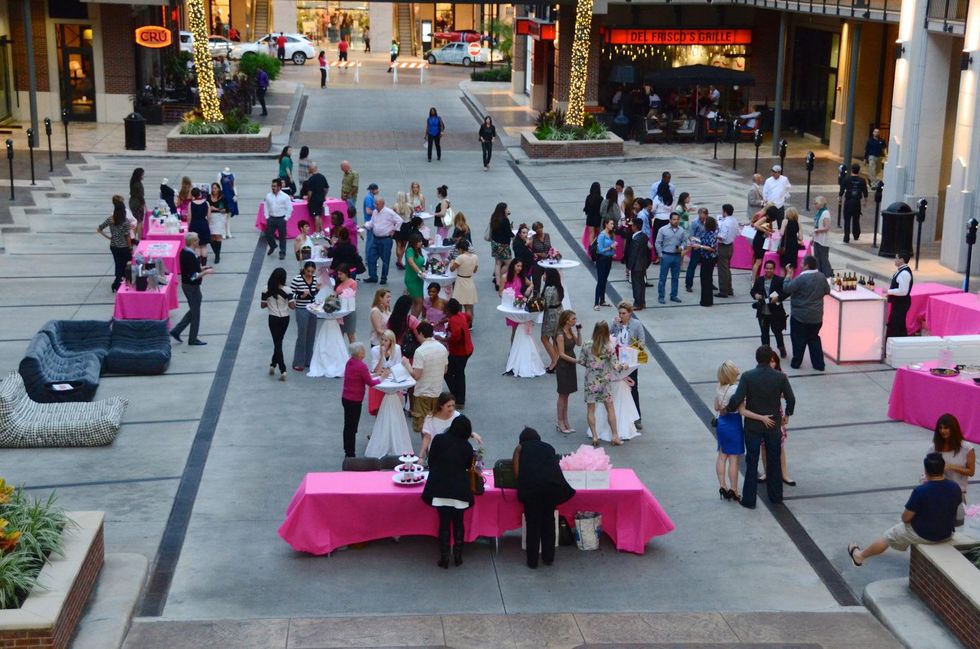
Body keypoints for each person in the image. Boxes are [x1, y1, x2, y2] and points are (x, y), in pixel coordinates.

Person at [848, 453, 962, 566]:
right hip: (946, 533)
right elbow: (959, 514)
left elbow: (906, 518)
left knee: (888, 536)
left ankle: (859, 556)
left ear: (926, 471)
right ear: (943, 468)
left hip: (925, 535)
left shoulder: (921, 491)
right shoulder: (955, 487)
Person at [726, 345, 796, 509]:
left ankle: (749, 500)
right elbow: (791, 399)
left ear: (757, 359)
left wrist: (728, 409)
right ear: (770, 358)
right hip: (773, 425)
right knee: (774, 461)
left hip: (753, 427)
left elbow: (737, 398)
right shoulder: (780, 377)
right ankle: (776, 497)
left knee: (752, 462)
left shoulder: (748, 376)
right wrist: (787, 415)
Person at [513, 427, 576, 569]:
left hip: (531, 492)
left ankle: (532, 561)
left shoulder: (520, 448)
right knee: (548, 523)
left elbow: (517, 473)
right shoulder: (549, 448)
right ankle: (548, 558)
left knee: (533, 525)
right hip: (550, 490)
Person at [421, 415, 475, 568]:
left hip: (440, 489)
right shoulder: (467, 447)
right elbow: (467, 466)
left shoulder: (438, 439)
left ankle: (444, 557)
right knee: (459, 523)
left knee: (444, 524)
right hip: (460, 491)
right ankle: (458, 556)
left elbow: (431, 461)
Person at [579, 321, 625, 447]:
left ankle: (594, 435)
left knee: (590, 409)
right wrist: (623, 366)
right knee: (610, 408)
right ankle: (615, 435)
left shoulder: (587, 344)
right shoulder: (609, 346)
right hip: (605, 381)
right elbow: (616, 366)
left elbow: (581, 361)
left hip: (590, 381)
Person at [781, 255, 830, 371]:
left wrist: (788, 275)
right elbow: (827, 290)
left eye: (802, 263)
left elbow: (787, 288)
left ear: (807, 265)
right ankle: (819, 364)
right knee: (814, 339)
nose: (801, 264)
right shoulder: (821, 277)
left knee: (798, 340)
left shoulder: (801, 279)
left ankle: (796, 363)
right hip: (817, 316)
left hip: (800, 316)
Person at [341, 342, 388, 457]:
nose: (364, 351)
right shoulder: (361, 366)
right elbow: (370, 383)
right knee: (352, 427)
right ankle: (350, 452)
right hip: (355, 400)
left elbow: (363, 377)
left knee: (348, 425)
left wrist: (372, 375)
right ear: (359, 353)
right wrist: (382, 377)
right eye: (363, 350)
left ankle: (348, 449)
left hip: (346, 398)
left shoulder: (350, 362)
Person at [404, 321, 449, 434]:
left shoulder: (420, 351)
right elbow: (445, 370)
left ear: (421, 334)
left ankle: (427, 449)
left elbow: (416, 376)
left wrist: (407, 365)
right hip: (437, 392)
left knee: (424, 427)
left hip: (423, 393)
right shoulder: (442, 348)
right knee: (435, 424)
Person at [170, 232, 214, 346]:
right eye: (197, 239)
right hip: (191, 286)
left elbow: (192, 269)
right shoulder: (189, 255)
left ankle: (177, 331)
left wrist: (202, 268)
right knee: (196, 313)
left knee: (194, 310)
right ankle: (192, 338)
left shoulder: (186, 252)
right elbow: (193, 276)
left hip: (191, 286)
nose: (199, 241)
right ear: (192, 242)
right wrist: (206, 272)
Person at [928, 414, 975, 515]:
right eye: (940, 428)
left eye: (946, 428)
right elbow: (928, 471)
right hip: (937, 493)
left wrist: (951, 467)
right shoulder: (934, 448)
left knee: (958, 525)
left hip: (957, 494)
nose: (942, 431)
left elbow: (971, 472)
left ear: (953, 428)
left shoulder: (967, 448)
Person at [714, 361, 745, 502]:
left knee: (722, 456)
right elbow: (741, 409)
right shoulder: (736, 389)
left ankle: (722, 485)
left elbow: (716, 407)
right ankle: (734, 489)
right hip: (734, 424)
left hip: (722, 423)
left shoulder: (719, 387)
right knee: (734, 460)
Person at [611, 302, 643, 429]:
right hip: (617, 361)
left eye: (624, 313)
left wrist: (630, 349)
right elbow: (608, 337)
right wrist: (615, 325)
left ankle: (637, 417)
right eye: (620, 313)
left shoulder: (636, 324)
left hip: (630, 361)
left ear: (630, 313)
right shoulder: (615, 323)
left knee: (633, 387)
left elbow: (642, 342)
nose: (621, 315)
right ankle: (618, 415)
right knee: (617, 387)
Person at [260, 268, 294, 380]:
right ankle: (279, 367)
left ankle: (277, 366)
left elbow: (263, 305)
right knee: (278, 342)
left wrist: (270, 300)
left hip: (273, 318)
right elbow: (292, 306)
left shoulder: (266, 289)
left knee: (277, 342)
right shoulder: (287, 290)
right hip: (285, 318)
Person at [751, 260, 787, 357]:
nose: (769, 270)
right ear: (764, 269)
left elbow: (785, 293)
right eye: (767, 268)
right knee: (764, 333)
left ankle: (781, 348)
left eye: (771, 268)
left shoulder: (779, 280)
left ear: (774, 269)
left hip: (776, 312)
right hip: (763, 312)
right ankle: (766, 352)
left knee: (777, 332)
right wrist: (756, 295)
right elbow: (753, 291)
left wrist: (778, 298)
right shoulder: (759, 280)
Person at [554, 310, 581, 434]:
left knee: (567, 395)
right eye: (573, 319)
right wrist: (577, 361)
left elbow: (579, 343)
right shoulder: (560, 334)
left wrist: (578, 331)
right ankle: (560, 421)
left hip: (570, 365)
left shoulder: (569, 330)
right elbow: (561, 354)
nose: (575, 321)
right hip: (564, 365)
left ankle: (565, 420)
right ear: (566, 320)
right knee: (562, 394)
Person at [364, 196, 401, 285]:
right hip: (375, 238)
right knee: (371, 257)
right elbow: (372, 223)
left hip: (386, 239)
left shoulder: (389, 212)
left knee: (385, 259)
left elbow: (400, 220)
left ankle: (383, 277)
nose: (375, 205)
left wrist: (395, 230)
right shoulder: (375, 212)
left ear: (382, 204)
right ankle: (373, 276)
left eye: (377, 204)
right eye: (375, 204)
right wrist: (365, 225)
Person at [97, 198, 132, 292]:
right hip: (124, 246)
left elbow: (99, 229)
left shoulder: (110, 219)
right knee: (126, 264)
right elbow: (127, 236)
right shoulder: (126, 222)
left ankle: (117, 282)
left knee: (118, 263)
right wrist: (130, 248)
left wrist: (109, 237)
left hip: (113, 246)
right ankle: (119, 282)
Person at [444, 299, 473, 410]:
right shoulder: (460, 315)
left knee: (450, 372)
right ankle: (458, 396)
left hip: (459, 352)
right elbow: (468, 317)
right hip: (467, 349)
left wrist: (445, 339)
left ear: (449, 310)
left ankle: (458, 397)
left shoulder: (453, 320)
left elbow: (456, 336)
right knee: (458, 373)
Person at [290, 261, 319, 371]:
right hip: (301, 309)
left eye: (312, 271)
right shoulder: (297, 279)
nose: (310, 273)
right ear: (304, 270)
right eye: (308, 271)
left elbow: (313, 293)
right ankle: (298, 361)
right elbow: (290, 293)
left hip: (312, 309)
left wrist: (317, 290)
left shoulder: (315, 279)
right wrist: (300, 295)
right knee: (302, 335)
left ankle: (308, 360)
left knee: (311, 334)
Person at [655, 212, 686, 305]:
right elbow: (658, 243)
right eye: (674, 219)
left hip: (676, 256)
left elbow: (685, 241)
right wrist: (660, 255)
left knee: (675, 277)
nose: (676, 221)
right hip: (666, 255)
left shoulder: (681, 230)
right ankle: (661, 296)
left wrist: (682, 247)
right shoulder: (663, 230)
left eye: (677, 219)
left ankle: (674, 295)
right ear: (670, 220)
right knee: (663, 278)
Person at [419, 392, 461, 460]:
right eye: (448, 406)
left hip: (453, 453)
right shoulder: (430, 419)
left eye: (453, 405)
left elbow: (463, 432)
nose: (451, 408)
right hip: (436, 453)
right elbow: (427, 437)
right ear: (441, 406)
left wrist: (472, 434)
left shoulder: (458, 416)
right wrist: (421, 456)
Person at [688, 216, 719, 307]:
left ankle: (707, 301)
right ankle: (704, 299)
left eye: (705, 222)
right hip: (704, 258)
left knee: (707, 279)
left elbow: (712, 248)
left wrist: (700, 246)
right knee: (703, 279)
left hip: (709, 258)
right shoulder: (706, 232)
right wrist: (695, 240)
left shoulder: (712, 234)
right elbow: (702, 240)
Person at [501, 258, 532, 344]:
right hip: (511, 306)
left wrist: (528, 290)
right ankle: (513, 349)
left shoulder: (521, 277)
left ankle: (518, 349)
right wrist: (507, 296)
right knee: (515, 329)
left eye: (521, 266)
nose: (520, 268)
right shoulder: (505, 277)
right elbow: (500, 292)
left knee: (520, 328)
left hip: (520, 304)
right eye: (518, 266)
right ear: (513, 266)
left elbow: (531, 284)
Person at [886, 252, 914, 338]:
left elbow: (903, 291)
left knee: (896, 324)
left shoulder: (904, 273)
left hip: (901, 303)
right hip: (899, 302)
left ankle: (894, 342)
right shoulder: (901, 270)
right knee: (898, 323)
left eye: (896, 258)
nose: (895, 260)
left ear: (901, 260)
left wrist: (888, 291)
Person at [540, 269, 563, 371]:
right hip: (560, 313)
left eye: (544, 274)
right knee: (555, 339)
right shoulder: (559, 287)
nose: (543, 276)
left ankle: (555, 362)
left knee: (544, 338)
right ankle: (556, 360)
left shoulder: (549, 289)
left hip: (551, 316)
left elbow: (545, 304)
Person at [449, 239, 478, 322]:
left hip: (460, 282)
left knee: (457, 305)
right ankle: (468, 324)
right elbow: (475, 270)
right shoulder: (475, 257)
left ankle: (459, 322)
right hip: (469, 281)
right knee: (468, 307)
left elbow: (452, 269)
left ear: (460, 249)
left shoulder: (460, 257)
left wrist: (452, 262)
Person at [264, 178, 293, 260]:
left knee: (282, 236)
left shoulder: (285, 197)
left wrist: (286, 218)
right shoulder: (268, 196)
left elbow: (289, 208)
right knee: (268, 234)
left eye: (275, 186)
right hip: (272, 218)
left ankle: (282, 252)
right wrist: (267, 217)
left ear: (279, 187)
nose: (273, 188)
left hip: (281, 218)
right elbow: (266, 206)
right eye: (272, 186)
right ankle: (273, 246)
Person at [489, 203, 514, 291]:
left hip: (495, 243)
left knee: (498, 263)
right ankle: (498, 278)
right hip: (503, 245)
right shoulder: (504, 220)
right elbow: (508, 232)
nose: (508, 210)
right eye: (507, 209)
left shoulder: (494, 217)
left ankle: (498, 283)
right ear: (503, 210)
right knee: (508, 263)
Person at [715, 204, 738, 298]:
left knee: (722, 270)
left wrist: (715, 235)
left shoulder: (725, 223)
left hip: (723, 247)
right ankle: (729, 289)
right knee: (727, 269)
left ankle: (723, 291)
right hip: (730, 246)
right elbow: (737, 232)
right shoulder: (734, 220)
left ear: (725, 212)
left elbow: (722, 237)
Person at [841, 163, 868, 243]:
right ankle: (856, 235)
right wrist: (865, 201)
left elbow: (842, 190)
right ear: (859, 170)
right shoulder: (862, 180)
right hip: (857, 202)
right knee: (856, 219)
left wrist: (839, 198)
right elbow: (865, 192)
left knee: (847, 219)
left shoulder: (847, 179)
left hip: (848, 201)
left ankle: (846, 237)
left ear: (851, 170)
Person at [626, 220, 651, 309]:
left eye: (632, 225)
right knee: (642, 284)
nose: (631, 227)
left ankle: (637, 303)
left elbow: (633, 254)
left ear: (635, 226)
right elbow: (648, 251)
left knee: (636, 284)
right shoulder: (644, 236)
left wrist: (629, 266)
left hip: (636, 265)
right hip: (643, 264)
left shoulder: (635, 238)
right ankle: (642, 302)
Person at [594, 218, 616, 311]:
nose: (612, 225)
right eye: (611, 224)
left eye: (613, 224)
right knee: (600, 280)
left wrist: (613, 249)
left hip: (608, 259)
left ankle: (602, 300)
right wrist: (610, 247)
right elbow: (600, 250)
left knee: (604, 279)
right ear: (606, 224)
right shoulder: (602, 235)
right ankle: (596, 302)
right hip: (602, 259)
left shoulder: (610, 234)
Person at [685, 208, 708, 293]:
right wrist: (694, 244)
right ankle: (688, 284)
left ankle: (709, 283)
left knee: (706, 267)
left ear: (706, 215)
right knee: (692, 266)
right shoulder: (695, 223)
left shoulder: (708, 221)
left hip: (705, 247)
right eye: (700, 217)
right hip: (696, 247)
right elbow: (691, 235)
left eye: (703, 217)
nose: (701, 219)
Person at [750, 206, 776, 282]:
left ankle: (756, 278)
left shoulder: (768, 219)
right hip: (759, 241)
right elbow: (756, 225)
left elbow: (764, 227)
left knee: (759, 261)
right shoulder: (765, 218)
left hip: (762, 241)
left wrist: (770, 230)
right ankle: (753, 280)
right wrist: (765, 231)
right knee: (758, 261)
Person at [333, 263, 358, 343]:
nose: (339, 276)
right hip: (340, 311)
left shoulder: (352, 282)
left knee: (350, 334)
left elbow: (352, 295)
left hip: (349, 309)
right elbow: (335, 294)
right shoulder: (338, 282)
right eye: (338, 274)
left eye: (341, 274)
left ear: (346, 273)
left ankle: (354, 354)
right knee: (339, 334)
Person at [187, 188, 212, 265]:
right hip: (203, 224)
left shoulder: (191, 204)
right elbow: (209, 216)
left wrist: (189, 226)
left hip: (194, 225)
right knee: (204, 246)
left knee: (197, 246)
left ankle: (198, 264)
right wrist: (207, 224)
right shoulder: (206, 203)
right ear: (200, 194)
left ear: (193, 195)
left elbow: (189, 217)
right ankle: (204, 264)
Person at [403, 235, 426, 315]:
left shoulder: (418, 251)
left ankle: (411, 320)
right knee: (420, 301)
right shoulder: (410, 250)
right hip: (412, 278)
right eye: (419, 241)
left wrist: (423, 270)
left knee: (415, 302)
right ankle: (413, 322)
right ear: (414, 243)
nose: (421, 243)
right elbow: (411, 262)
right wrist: (420, 272)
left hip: (419, 279)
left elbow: (420, 263)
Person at [303, 163, 329, 233]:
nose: (308, 170)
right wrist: (324, 195)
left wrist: (308, 199)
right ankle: (321, 230)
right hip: (321, 199)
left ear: (312, 169)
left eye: (309, 168)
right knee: (319, 215)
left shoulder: (311, 179)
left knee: (316, 215)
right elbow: (326, 188)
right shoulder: (322, 177)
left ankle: (317, 231)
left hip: (314, 200)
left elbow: (310, 192)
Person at [811, 196, 833, 277]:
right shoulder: (819, 212)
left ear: (821, 203)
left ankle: (827, 275)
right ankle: (819, 275)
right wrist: (813, 238)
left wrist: (816, 231)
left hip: (823, 240)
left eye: (816, 203)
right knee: (817, 259)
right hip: (817, 239)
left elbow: (827, 227)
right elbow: (816, 226)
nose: (815, 205)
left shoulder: (825, 213)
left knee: (823, 259)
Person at [206, 183, 227, 264]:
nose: (213, 190)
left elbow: (225, 210)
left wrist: (215, 208)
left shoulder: (222, 198)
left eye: (215, 188)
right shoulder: (208, 197)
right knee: (211, 237)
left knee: (217, 236)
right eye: (212, 188)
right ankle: (216, 252)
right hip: (210, 218)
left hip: (219, 218)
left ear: (218, 189)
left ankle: (217, 256)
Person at [529, 221, 551, 293]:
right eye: (536, 229)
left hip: (548, 261)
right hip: (538, 262)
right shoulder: (533, 238)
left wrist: (551, 253)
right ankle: (536, 298)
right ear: (534, 230)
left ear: (542, 227)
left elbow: (549, 247)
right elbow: (531, 252)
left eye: (540, 228)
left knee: (550, 281)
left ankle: (546, 295)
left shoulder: (547, 235)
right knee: (536, 282)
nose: (539, 230)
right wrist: (539, 254)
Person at [218, 167, 238, 238]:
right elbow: (218, 186)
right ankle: (223, 232)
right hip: (224, 196)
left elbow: (234, 185)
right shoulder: (220, 174)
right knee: (224, 216)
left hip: (231, 196)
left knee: (229, 216)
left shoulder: (233, 175)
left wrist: (236, 194)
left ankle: (228, 232)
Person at [583, 182, 604, 247]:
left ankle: (591, 248)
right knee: (598, 234)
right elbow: (601, 210)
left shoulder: (588, 197)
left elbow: (586, 208)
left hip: (590, 218)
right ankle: (598, 247)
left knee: (591, 234)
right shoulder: (601, 198)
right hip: (598, 219)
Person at [129, 168, 145, 239]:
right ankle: (139, 239)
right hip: (138, 204)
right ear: (139, 175)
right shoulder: (138, 184)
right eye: (142, 175)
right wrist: (145, 206)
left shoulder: (133, 182)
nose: (143, 176)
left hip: (132, 203)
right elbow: (141, 196)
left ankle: (133, 239)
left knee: (135, 222)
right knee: (139, 222)